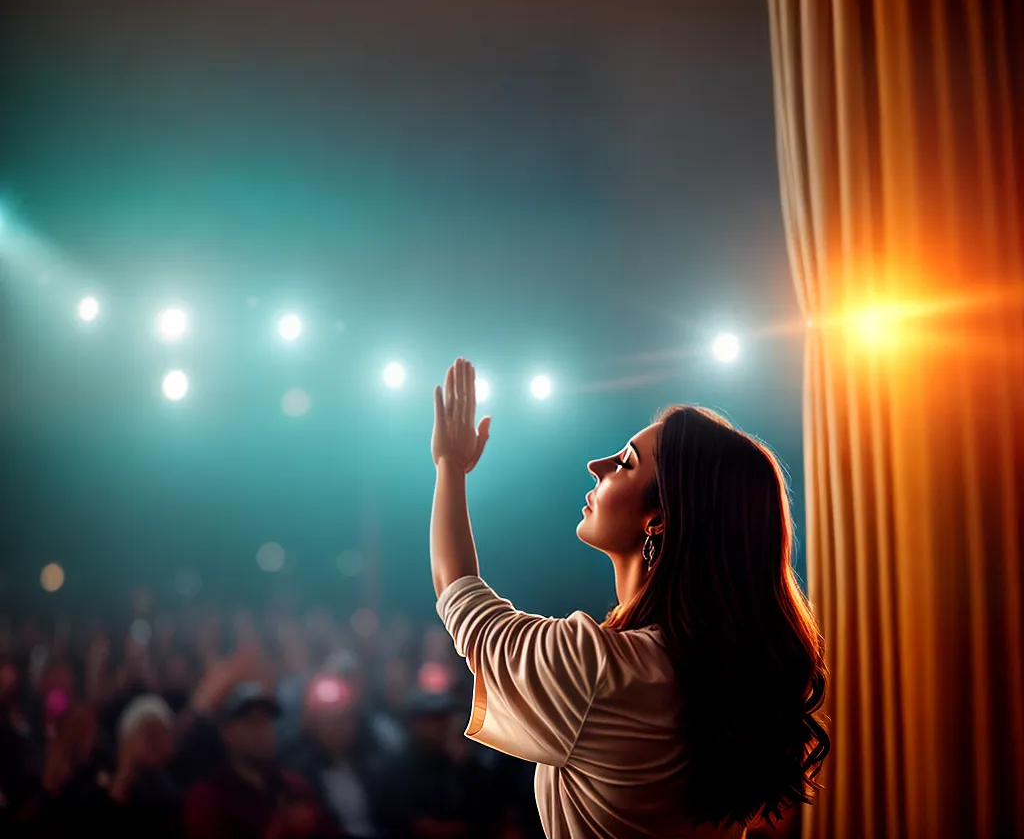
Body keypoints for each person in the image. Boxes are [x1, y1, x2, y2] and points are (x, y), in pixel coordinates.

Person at [429, 358, 829, 838]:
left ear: (659, 517)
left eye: (624, 463)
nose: (595, 466)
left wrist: (449, 465)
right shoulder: (735, 674)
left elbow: (459, 595)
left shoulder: (599, 669)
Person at [183, 683, 339, 839]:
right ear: (227, 733)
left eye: (268, 722)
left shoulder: (293, 786)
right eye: (253, 723)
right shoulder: (210, 797)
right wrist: (280, 829)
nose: (263, 731)